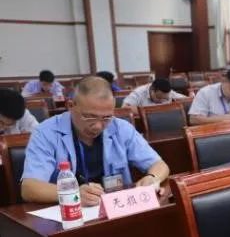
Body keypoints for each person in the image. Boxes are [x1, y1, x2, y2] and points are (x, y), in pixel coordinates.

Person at [21, 76, 170, 206]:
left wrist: (152, 178)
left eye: (106, 117)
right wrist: (73, 193)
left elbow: (159, 165)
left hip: (115, 209)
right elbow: (29, 188)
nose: (98, 126)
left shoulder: (120, 128)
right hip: (70, 213)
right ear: (71, 106)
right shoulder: (46, 132)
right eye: (89, 117)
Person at [122, 78, 186, 114]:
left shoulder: (169, 93)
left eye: (165, 99)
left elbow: (186, 100)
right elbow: (124, 108)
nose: (161, 101)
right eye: (159, 98)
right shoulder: (139, 93)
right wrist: (146, 112)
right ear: (152, 90)